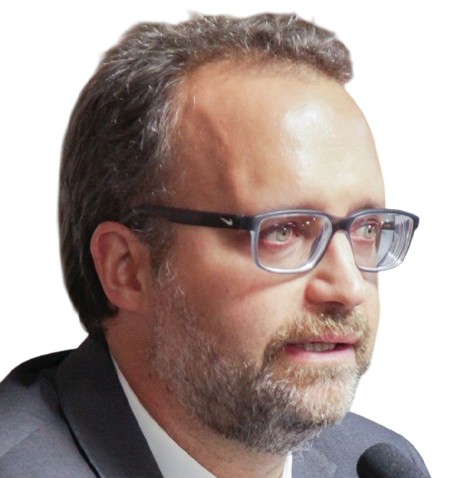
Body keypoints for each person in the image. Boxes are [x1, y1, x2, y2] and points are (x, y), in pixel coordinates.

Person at [0, 13, 430, 478]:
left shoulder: (373, 463)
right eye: (282, 231)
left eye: (367, 229)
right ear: (126, 268)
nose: (349, 288)